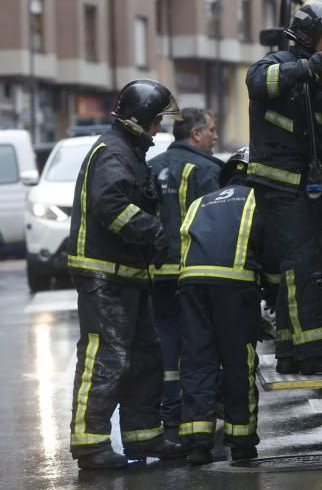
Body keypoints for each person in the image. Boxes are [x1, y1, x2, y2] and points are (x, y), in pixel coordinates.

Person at [65, 79, 186, 470]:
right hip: (105, 276)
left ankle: (142, 433)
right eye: (155, 122)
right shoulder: (114, 153)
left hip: (127, 274)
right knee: (108, 357)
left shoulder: (127, 150)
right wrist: (152, 233)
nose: (158, 130)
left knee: (144, 357)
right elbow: (111, 204)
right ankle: (90, 444)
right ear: (140, 120)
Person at [245, 0, 322, 375]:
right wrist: (309, 68)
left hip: (306, 189)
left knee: (305, 268)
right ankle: (313, 354)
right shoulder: (275, 65)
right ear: (310, 37)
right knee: (304, 268)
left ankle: (293, 352)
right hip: (281, 186)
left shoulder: (320, 85)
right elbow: (258, 84)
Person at [177, 148, 271, 465]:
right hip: (234, 286)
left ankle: (197, 444)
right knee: (237, 361)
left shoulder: (201, 202)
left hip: (191, 283)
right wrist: (274, 292)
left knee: (197, 361)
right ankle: (241, 443)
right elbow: (269, 251)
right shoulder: (260, 200)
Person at [147, 108, 223, 441]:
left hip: (157, 273)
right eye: (211, 130)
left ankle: (168, 411)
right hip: (194, 273)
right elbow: (217, 225)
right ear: (195, 134)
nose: (215, 136)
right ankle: (195, 412)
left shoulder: (151, 168)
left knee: (166, 340)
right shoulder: (207, 170)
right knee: (197, 344)